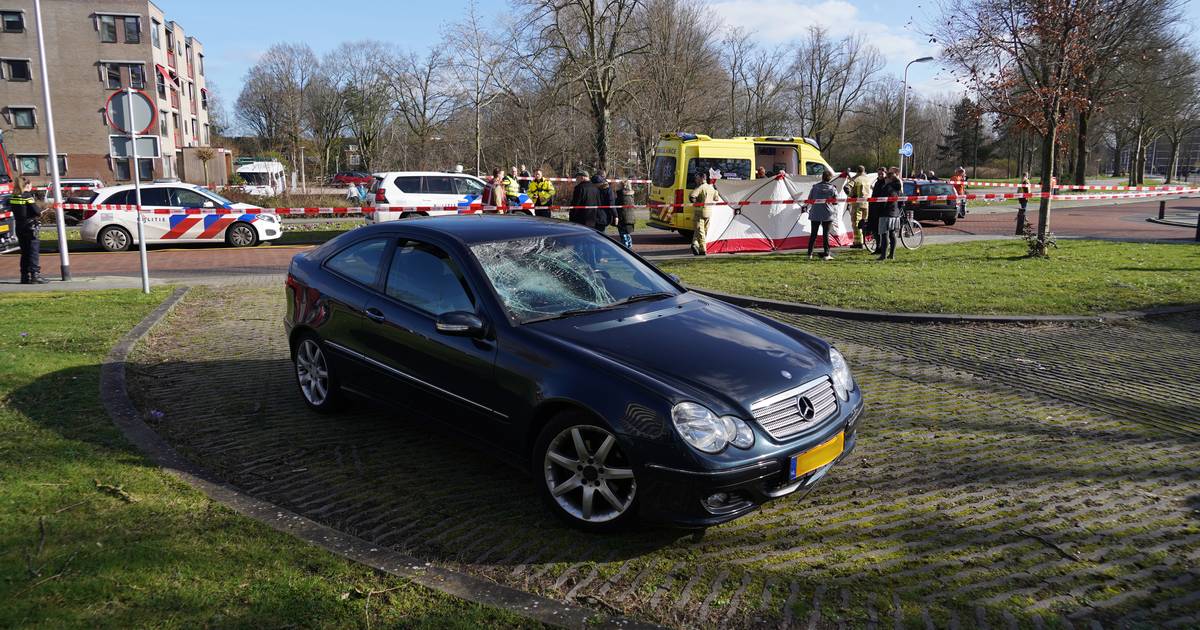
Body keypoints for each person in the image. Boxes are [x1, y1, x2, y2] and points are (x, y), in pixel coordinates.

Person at [9, 175, 47, 284]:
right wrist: (41, 211)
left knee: (24, 252)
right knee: (33, 251)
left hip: (19, 227)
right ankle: (35, 275)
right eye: (30, 184)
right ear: (27, 185)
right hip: (30, 227)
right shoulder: (27, 197)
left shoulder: (13, 197)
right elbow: (36, 211)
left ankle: (24, 276)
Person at [806, 170, 839, 260]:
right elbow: (835, 202)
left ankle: (809, 254)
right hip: (827, 214)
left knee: (813, 234)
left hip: (815, 213)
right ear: (830, 178)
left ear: (822, 177)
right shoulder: (833, 188)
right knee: (826, 234)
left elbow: (810, 200)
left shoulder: (815, 187)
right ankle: (826, 254)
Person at [688, 169, 722, 256]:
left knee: (700, 231)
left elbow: (692, 197)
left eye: (697, 178)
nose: (695, 180)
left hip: (699, 212)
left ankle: (703, 249)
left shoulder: (700, 187)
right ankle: (695, 244)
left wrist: (696, 202)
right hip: (708, 212)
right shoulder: (711, 187)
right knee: (703, 231)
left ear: (702, 178)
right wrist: (715, 191)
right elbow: (716, 198)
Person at [876, 167, 903, 261]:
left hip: (886, 213)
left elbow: (882, 201)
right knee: (892, 234)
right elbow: (901, 201)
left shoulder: (887, 187)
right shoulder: (898, 187)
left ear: (889, 179)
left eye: (885, 178)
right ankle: (892, 255)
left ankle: (883, 255)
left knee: (884, 235)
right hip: (895, 213)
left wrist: (879, 210)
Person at [847, 165, 871, 248]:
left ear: (857, 171)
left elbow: (846, 188)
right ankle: (865, 241)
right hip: (866, 204)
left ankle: (858, 242)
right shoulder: (867, 179)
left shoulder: (855, 179)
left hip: (857, 204)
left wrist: (850, 195)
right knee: (864, 223)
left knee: (856, 223)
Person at [615, 179, 636, 248]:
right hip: (630, 218)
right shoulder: (631, 195)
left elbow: (616, 205)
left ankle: (626, 249)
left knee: (624, 236)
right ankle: (629, 248)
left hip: (624, 218)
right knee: (627, 235)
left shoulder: (621, 195)